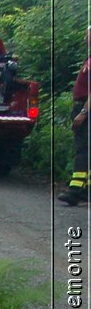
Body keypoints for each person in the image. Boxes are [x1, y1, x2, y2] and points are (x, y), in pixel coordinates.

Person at [61, 28, 90, 206]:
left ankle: (75, 190)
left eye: (87, 35)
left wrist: (83, 113)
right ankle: (87, 190)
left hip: (86, 109)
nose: (85, 38)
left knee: (83, 150)